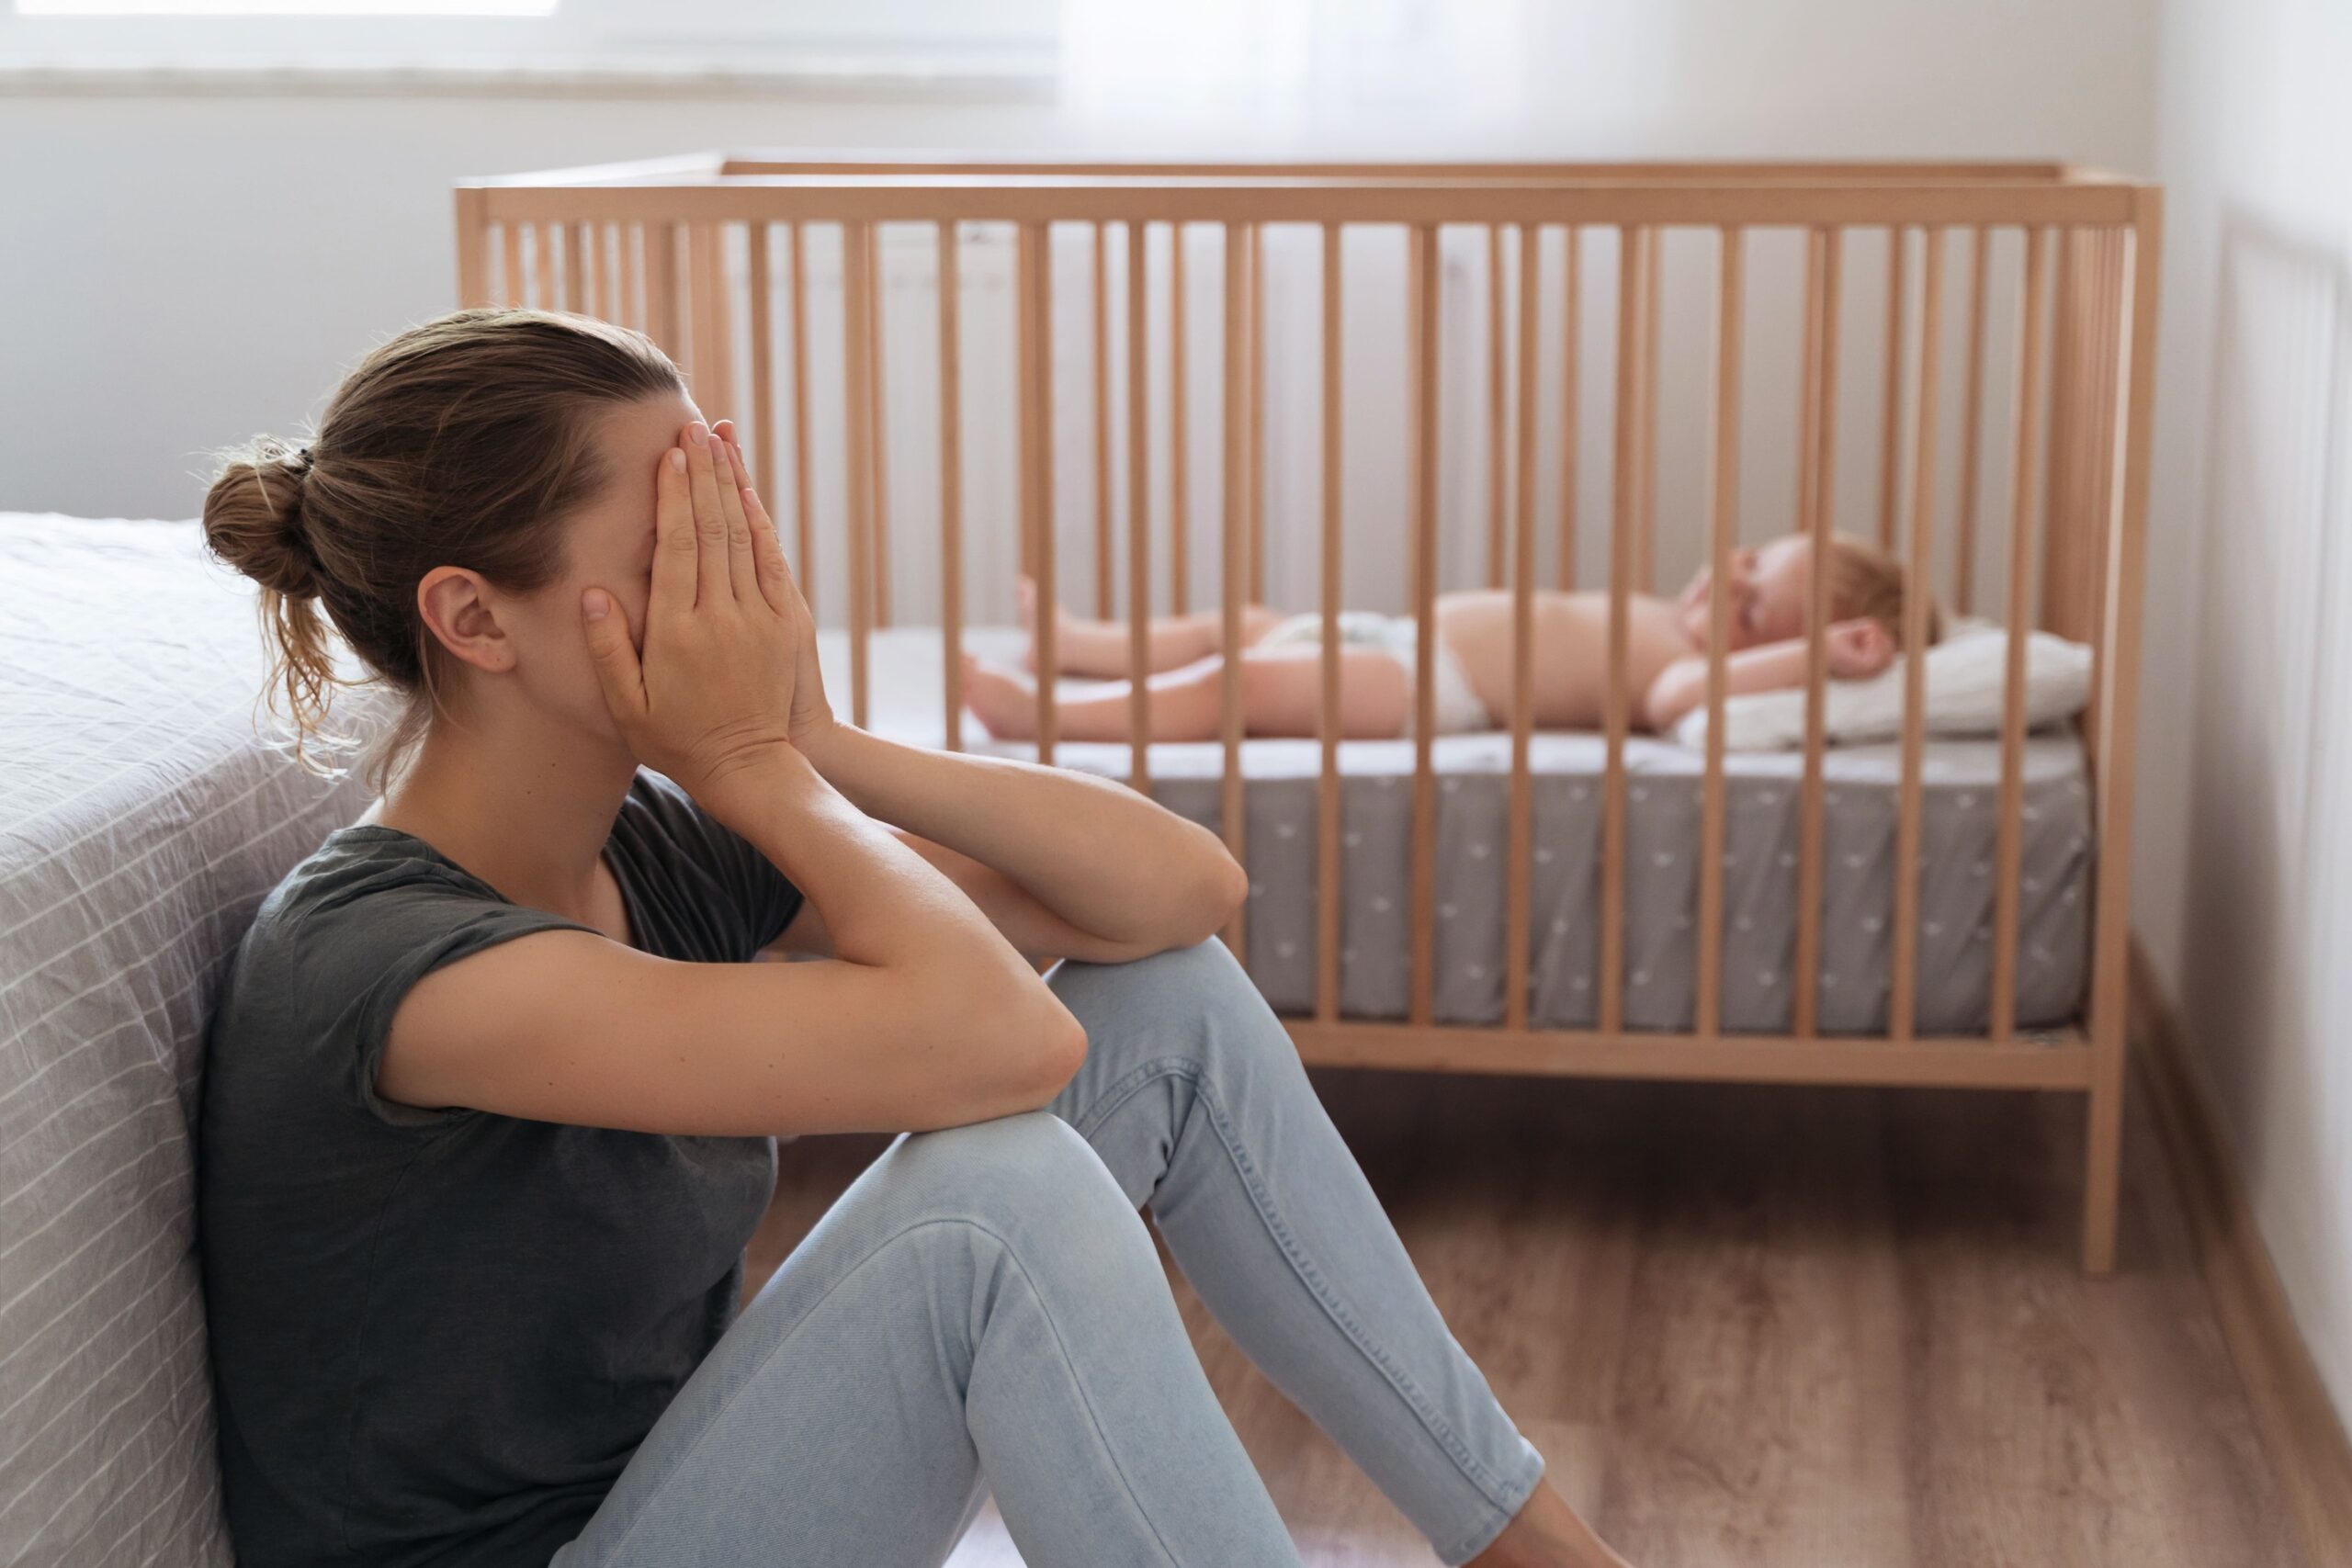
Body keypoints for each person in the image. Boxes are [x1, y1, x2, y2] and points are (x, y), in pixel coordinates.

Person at [194, 307, 1637, 1568]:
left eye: (736, 535)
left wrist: (813, 738)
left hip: (681, 1490)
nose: (736, 599)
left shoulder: (645, 843)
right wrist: (757, 760)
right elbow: (1009, 1044)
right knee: (988, 1193)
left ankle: (1542, 1550)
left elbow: (1177, 894)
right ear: (473, 618)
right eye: (679, 553)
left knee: (1174, 1008)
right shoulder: (389, 964)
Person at [962, 533, 1940, 744]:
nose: (1726, 576)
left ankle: (1050, 715)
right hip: (1398, 635)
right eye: (1751, 557)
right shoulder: (1681, 624)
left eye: (1754, 603)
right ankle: (1080, 643)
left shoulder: (1689, 669)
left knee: (1244, 680)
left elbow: (1678, 707)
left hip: (1435, 690)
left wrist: (1809, 660)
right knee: (1245, 623)